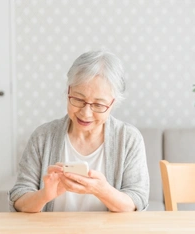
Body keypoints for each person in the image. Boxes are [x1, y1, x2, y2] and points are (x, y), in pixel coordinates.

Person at [9, 50, 149, 212]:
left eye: (98, 104)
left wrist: (102, 190)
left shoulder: (129, 139)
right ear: (68, 91)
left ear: (113, 103)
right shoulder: (43, 136)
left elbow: (137, 201)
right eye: (78, 99)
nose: (86, 113)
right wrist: (45, 195)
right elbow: (18, 198)